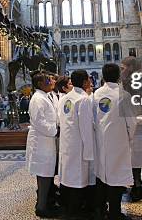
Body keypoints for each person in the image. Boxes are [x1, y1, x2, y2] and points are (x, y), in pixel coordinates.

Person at [93, 63, 136, 220]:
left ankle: (100, 210)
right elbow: (132, 122)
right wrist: (128, 138)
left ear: (103, 77)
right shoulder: (123, 95)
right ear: (118, 76)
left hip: (100, 141)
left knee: (102, 177)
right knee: (116, 179)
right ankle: (115, 213)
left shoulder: (96, 94)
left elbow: (92, 119)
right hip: (118, 142)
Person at [57, 70, 95, 219]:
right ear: (85, 82)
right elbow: (86, 128)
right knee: (78, 179)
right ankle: (75, 212)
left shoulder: (66, 98)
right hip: (79, 146)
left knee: (68, 177)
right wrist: (90, 152)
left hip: (67, 144)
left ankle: (67, 209)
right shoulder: (83, 99)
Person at [25, 72, 59, 218]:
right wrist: (55, 131)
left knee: (47, 173)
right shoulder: (38, 98)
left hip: (47, 141)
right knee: (44, 173)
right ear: (40, 83)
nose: (52, 81)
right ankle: (42, 208)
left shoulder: (46, 96)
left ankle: (44, 203)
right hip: (41, 142)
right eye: (49, 79)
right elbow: (39, 121)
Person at [120, 56, 142, 202]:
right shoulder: (128, 82)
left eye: (123, 68)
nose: (121, 71)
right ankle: (138, 184)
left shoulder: (137, 81)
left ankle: (140, 186)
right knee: (136, 157)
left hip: (141, 122)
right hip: (134, 122)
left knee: (140, 156)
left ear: (131, 68)